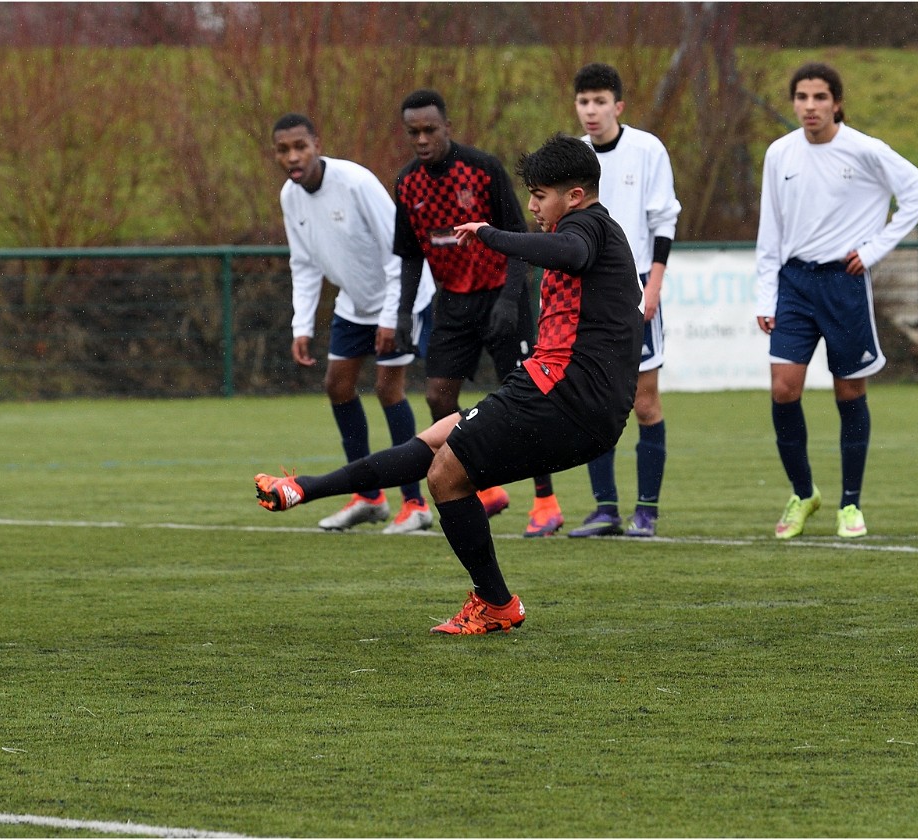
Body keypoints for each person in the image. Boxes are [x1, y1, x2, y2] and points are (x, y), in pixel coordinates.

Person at [256, 134, 641, 634]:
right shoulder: (593, 231)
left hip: (564, 397)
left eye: (539, 195)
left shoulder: (588, 226)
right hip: (568, 399)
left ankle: (495, 604)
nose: (531, 206)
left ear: (574, 196)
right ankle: (305, 488)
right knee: (436, 440)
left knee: (445, 475)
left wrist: (491, 234)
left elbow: (569, 250)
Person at [754, 62, 918, 540]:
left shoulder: (865, 150)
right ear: (793, 103)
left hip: (844, 282)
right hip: (794, 283)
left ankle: (850, 504)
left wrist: (874, 249)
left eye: (819, 97)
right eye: (801, 97)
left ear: (836, 103)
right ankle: (803, 493)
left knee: (849, 391)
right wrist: (765, 294)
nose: (810, 106)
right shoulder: (780, 153)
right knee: (783, 388)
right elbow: (770, 227)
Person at [391, 89, 565, 538]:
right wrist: (403, 313)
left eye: (430, 130)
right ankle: (484, 489)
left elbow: (518, 236)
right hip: (453, 301)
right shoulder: (407, 183)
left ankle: (545, 501)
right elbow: (410, 255)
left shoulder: (482, 169)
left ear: (447, 127)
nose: (422, 139)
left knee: (528, 401)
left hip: (501, 295)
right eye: (414, 132)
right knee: (437, 396)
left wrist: (510, 299)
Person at [272, 113, 437, 535]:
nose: (293, 156)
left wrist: (391, 317)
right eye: (283, 149)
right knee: (337, 385)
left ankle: (415, 503)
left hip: (402, 297)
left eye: (300, 146)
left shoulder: (356, 182)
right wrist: (301, 326)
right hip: (354, 303)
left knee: (388, 388)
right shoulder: (290, 196)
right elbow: (304, 263)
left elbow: (400, 250)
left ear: (317, 145)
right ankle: (368, 497)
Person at [565, 62, 681, 539]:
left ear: (618, 106)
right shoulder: (573, 155)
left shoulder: (647, 149)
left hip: (635, 286)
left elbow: (664, 220)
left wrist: (654, 284)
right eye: (583, 102)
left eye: (599, 101)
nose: (591, 110)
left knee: (644, 402)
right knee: (592, 400)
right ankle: (605, 509)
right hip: (585, 290)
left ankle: (647, 511)